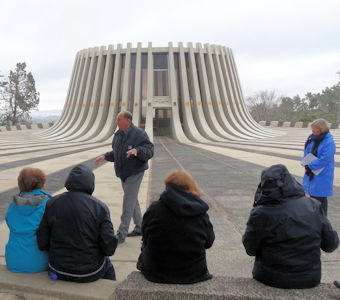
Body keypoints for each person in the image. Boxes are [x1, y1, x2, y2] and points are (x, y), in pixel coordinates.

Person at [242, 164, 339, 289]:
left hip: (270, 277)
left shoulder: (260, 213)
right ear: (290, 181)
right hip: (310, 278)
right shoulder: (314, 205)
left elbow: (250, 249)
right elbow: (331, 244)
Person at [36, 164, 118, 282]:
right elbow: (109, 248)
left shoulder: (52, 203)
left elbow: (42, 241)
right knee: (108, 266)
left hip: (58, 268)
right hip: (89, 272)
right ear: (91, 183)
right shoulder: (100, 207)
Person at [137, 170, 215, 284]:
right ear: (190, 187)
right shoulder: (200, 212)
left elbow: (145, 236)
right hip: (193, 273)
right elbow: (209, 242)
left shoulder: (155, 209)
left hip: (155, 271)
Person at [95, 111, 154, 244]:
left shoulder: (139, 133)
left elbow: (150, 150)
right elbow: (116, 153)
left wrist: (137, 151)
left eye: (119, 119)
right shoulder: (118, 135)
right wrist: (105, 156)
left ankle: (120, 235)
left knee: (128, 202)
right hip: (123, 173)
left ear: (128, 120)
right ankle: (140, 227)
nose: (116, 121)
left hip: (135, 172)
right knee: (133, 201)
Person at [5, 167, 51, 273]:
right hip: (39, 262)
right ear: (42, 183)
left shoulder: (13, 204)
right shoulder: (48, 204)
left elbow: (9, 222)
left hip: (13, 260)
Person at [301, 118, 335, 215]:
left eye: (314, 129)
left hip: (322, 173)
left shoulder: (329, 141)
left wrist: (311, 165)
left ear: (321, 129)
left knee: (320, 199)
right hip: (311, 172)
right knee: (312, 197)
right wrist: (304, 161)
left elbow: (326, 158)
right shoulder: (312, 138)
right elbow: (306, 151)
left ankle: (322, 221)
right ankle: (315, 219)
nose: (312, 131)